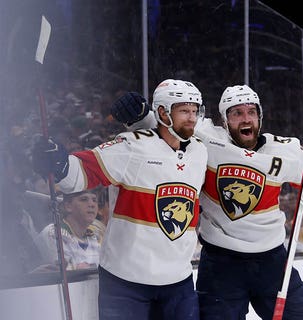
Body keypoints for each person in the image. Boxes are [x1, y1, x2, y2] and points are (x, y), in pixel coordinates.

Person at [110, 84, 303, 319]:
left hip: (272, 263)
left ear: (260, 117)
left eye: (251, 112)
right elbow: (169, 128)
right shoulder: (205, 139)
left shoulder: (285, 149)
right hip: (221, 265)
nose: (246, 118)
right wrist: (139, 114)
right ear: (224, 120)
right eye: (237, 113)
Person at [32, 79, 207, 320]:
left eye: (195, 111)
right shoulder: (132, 147)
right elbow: (80, 174)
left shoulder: (200, 150)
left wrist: (143, 117)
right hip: (126, 283)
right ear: (163, 112)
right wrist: (59, 163)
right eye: (184, 110)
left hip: (178, 282)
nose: (191, 118)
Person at [35, 189, 101, 271]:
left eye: (94, 200)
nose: (92, 204)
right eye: (84, 199)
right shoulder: (54, 233)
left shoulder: (94, 237)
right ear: (68, 206)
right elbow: (66, 273)